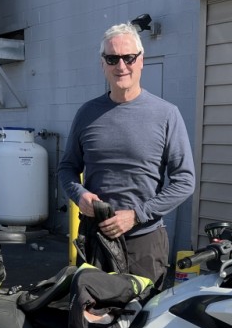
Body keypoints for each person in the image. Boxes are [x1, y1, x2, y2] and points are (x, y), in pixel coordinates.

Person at [58, 22, 195, 289]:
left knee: (144, 312)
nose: (121, 66)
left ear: (141, 60)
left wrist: (136, 215)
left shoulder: (166, 114)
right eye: (112, 59)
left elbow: (185, 181)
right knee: (90, 311)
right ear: (103, 64)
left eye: (128, 57)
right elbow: (67, 168)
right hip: (96, 239)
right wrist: (79, 194)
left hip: (144, 242)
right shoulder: (87, 114)